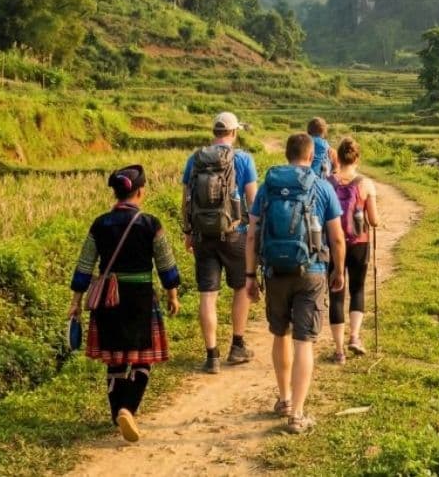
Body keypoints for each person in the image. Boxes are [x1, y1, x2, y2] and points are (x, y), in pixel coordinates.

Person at [68, 165, 181, 443]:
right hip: (140, 296)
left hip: (108, 297)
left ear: (116, 193)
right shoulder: (150, 223)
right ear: (140, 191)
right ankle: (127, 408)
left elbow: (85, 264)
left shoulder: (100, 223)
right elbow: (166, 263)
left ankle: (116, 411)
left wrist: (76, 300)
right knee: (142, 357)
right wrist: (172, 293)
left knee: (114, 357)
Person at [245, 133, 346, 434]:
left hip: (275, 271)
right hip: (312, 271)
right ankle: (298, 415)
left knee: (281, 333)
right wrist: (338, 271)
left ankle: (284, 398)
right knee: (305, 340)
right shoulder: (322, 186)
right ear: (312, 154)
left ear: (287, 154)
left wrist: (250, 276)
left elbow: (251, 234)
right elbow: (338, 237)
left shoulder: (268, 188)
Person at [182, 112, 259, 373]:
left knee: (208, 295)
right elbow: (253, 200)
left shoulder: (195, 159)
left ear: (214, 132)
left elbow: (187, 199)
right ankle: (237, 346)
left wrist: (188, 232)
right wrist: (253, 233)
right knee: (240, 288)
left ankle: (211, 355)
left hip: (203, 235)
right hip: (236, 233)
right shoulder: (244, 159)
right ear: (234, 133)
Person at [325, 137, 380, 364]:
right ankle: (355, 337)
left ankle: (338, 351)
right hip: (359, 243)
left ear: (337, 156)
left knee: (336, 292)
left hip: (332, 243)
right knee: (357, 289)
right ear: (357, 157)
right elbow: (374, 220)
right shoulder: (366, 184)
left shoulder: (327, 182)